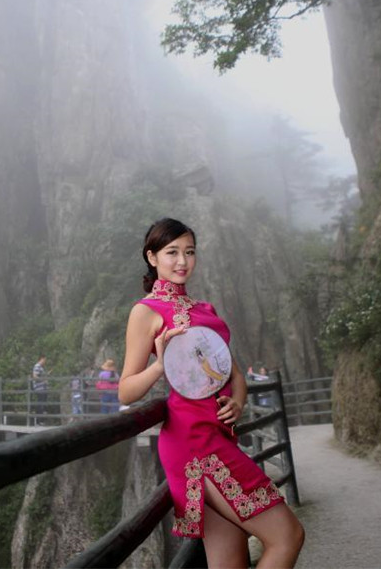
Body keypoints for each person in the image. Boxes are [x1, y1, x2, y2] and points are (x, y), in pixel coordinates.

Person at [119, 218, 305, 568]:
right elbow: (126, 391)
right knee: (287, 536)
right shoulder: (145, 312)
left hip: (220, 437)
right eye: (171, 252)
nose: (182, 261)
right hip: (192, 444)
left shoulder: (206, 310)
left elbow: (235, 375)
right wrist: (160, 364)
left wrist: (237, 402)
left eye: (189, 252)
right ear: (152, 257)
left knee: (229, 563)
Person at [31, 356, 48, 425]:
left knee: (42, 404)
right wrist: (43, 380)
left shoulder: (41, 368)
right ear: (42, 359)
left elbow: (40, 375)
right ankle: (39, 421)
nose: (45, 362)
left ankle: (41, 420)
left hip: (43, 388)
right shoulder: (37, 366)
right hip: (39, 388)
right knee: (40, 404)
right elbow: (35, 376)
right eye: (45, 360)